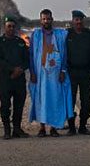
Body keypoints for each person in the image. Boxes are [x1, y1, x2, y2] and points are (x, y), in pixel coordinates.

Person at [28, 9, 72, 137]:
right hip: (40, 74)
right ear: (40, 20)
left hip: (55, 74)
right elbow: (31, 54)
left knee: (55, 99)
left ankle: (53, 127)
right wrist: (32, 72)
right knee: (41, 100)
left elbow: (64, 54)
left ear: (52, 19)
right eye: (44, 19)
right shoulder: (36, 35)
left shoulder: (59, 35)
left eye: (48, 18)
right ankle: (42, 127)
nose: (46, 21)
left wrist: (63, 70)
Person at [0, 15, 31, 139]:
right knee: (5, 105)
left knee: (19, 105)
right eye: (9, 26)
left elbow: (27, 60)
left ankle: (17, 129)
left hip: (19, 78)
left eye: (13, 26)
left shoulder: (20, 42)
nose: (11, 28)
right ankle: (7, 130)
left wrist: (20, 69)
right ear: (5, 27)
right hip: (6, 78)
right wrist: (12, 69)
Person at [65, 10, 90, 135]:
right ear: (72, 21)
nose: (79, 22)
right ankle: (71, 127)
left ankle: (83, 126)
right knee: (70, 101)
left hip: (86, 73)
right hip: (71, 73)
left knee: (86, 101)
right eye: (76, 19)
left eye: (80, 20)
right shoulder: (67, 34)